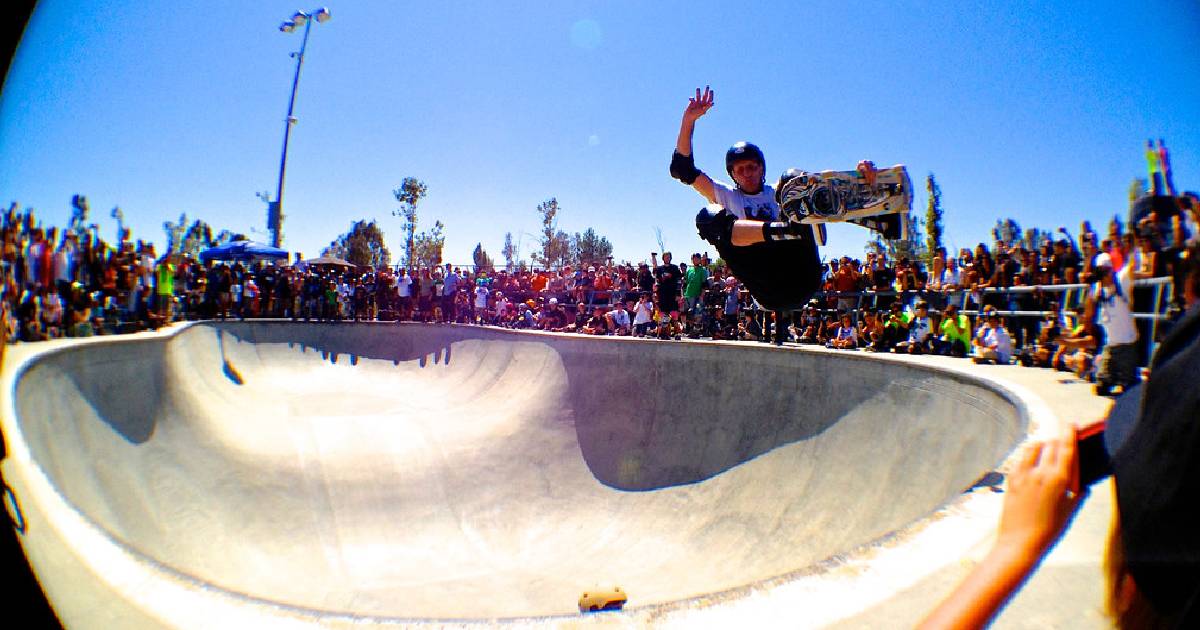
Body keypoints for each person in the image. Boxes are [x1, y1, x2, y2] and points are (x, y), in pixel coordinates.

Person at [920, 244, 1200, 629]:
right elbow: (1087, 325)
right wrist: (1069, 341)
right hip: (1108, 347)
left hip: (1124, 348)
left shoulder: (1117, 281)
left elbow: (1131, 269)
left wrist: (1013, 550)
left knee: (1105, 376)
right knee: (1099, 380)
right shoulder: (1097, 293)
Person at [670, 86, 824, 345]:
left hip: (801, 275)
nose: (747, 173)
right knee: (709, 217)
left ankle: (798, 230)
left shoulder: (778, 191)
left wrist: (861, 178)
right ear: (733, 175)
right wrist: (688, 121)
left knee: (794, 180)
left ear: (761, 168)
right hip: (765, 285)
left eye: (752, 167)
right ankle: (789, 230)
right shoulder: (727, 195)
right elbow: (681, 169)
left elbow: (822, 193)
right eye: (740, 170)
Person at [1091, 252, 1140, 396]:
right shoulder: (1098, 289)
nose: (1104, 276)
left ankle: (1129, 376)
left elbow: (1131, 264)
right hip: (1110, 347)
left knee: (1128, 388)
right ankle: (1112, 377)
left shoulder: (1121, 279)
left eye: (1106, 271)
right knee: (1101, 387)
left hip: (1127, 345)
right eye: (1101, 272)